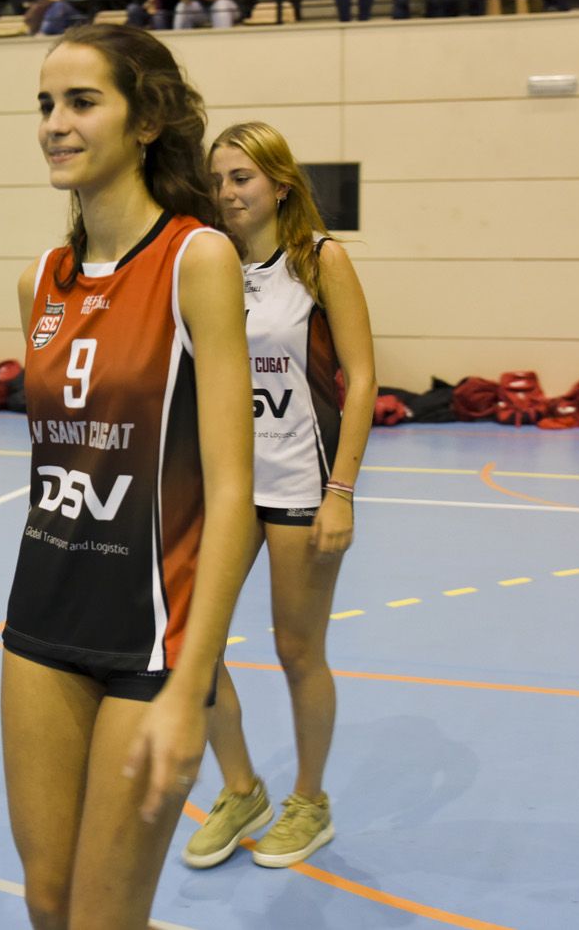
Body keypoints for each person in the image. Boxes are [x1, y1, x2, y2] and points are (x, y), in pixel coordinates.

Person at [4, 21, 255, 930]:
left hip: (153, 633)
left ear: (144, 119)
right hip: (42, 613)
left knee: (101, 920)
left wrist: (194, 685)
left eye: (81, 102)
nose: (55, 125)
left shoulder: (198, 258)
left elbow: (233, 490)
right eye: (45, 105)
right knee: (47, 902)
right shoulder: (40, 281)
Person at [180, 121, 375, 871]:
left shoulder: (320, 260)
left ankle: (310, 801)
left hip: (301, 484)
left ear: (279, 185)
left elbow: (360, 379)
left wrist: (342, 490)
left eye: (242, 178)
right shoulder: (210, 263)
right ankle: (240, 788)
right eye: (219, 179)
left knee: (298, 651)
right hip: (225, 487)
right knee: (191, 645)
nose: (227, 192)